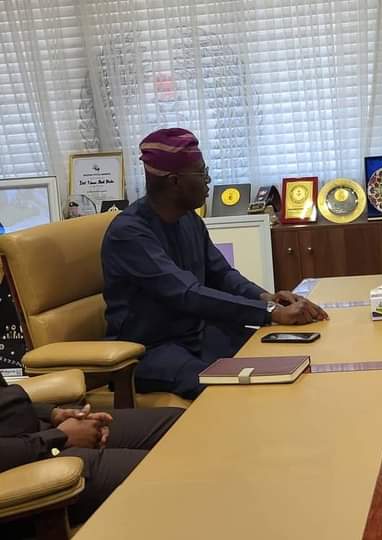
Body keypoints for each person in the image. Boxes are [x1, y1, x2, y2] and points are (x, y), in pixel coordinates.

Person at [101, 128, 328, 399]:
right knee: (229, 389)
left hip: (198, 335)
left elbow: (221, 274)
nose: (209, 181)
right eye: (202, 174)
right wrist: (270, 312)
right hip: (150, 351)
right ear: (175, 181)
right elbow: (187, 293)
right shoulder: (129, 233)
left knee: (276, 355)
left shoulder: (189, 219)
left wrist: (267, 298)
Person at [0, 372, 182, 537]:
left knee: (180, 425)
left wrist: (53, 414)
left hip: (37, 431)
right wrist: (59, 437)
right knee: (172, 476)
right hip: (21, 466)